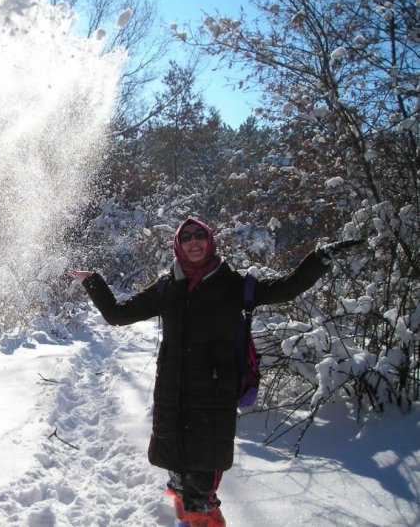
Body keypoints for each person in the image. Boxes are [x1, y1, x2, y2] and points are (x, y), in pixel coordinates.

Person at [68, 217, 362, 527]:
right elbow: (118, 314)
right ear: (178, 245)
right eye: (186, 237)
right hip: (172, 397)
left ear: (210, 241)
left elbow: (286, 287)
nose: (193, 242)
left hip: (211, 399)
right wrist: (93, 281)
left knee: (201, 489)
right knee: (180, 481)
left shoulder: (233, 284)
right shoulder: (167, 285)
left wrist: (318, 259)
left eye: (200, 236)